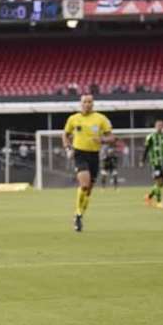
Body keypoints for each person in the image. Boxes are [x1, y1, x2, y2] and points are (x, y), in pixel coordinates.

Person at [62, 94, 115, 232]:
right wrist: (68, 148)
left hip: (94, 155)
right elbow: (65, 134)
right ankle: (78, 215)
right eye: (85, 101)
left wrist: (102, 140)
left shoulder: (100, 118)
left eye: (90, 102)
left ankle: (79, 215)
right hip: (79, 154)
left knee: (89, 191)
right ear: (81, 103)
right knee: (84, 185)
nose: (87, 104)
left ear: (93, 103)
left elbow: (112, 137)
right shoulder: (73, 119)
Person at [142, 119, 163, 208]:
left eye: (161, 125)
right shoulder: (151, 137)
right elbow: (146, 149)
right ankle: (159, 202)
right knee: (158, 180)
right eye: (158, 125)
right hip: (155, 162)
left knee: (162, 183)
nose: (159, 127)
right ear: (155, 127)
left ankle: (149, 196)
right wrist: (142, 160)